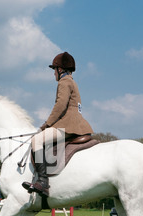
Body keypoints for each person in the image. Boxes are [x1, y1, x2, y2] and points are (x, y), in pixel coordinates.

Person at [22, 52, 93, 196]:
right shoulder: (72, 82)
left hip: (68, 124)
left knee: (37, 140)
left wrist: (46, 125)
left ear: (60, 69)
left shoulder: (64, 82)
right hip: (78, 123)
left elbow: (60, 105)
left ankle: (42, 181)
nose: (53, 73)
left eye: (54, 69)